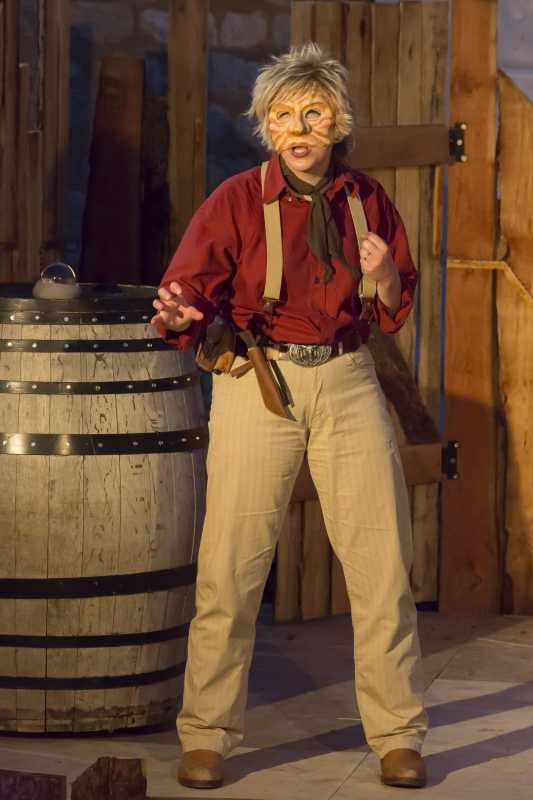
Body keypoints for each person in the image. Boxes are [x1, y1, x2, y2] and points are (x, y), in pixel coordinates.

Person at [151, 43, 428, 791]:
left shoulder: (367, 199)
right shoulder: (236, 199)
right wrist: (179, 312)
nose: (297, 129)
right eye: (281, 116)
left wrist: (379, 275)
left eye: (313, 113)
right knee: (231, 568)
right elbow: (188, 290)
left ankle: (398, 733)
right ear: (265, 126)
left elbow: (394, 304)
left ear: (339, 122)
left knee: (382, 568)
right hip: (258, 383)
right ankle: (207, 733)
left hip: (347, 379)